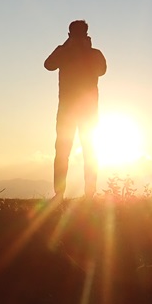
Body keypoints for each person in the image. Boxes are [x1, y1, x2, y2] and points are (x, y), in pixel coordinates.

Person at [44, 19, 107, 199]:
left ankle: (73, 193)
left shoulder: (86, 54)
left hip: (72, 111)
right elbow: (48, 65)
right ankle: (81, 193)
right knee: (79, 151)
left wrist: (69, 48)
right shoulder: (82, 53)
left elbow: (101, 70)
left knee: (74, 151)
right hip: (82, 111)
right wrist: (68, 48)